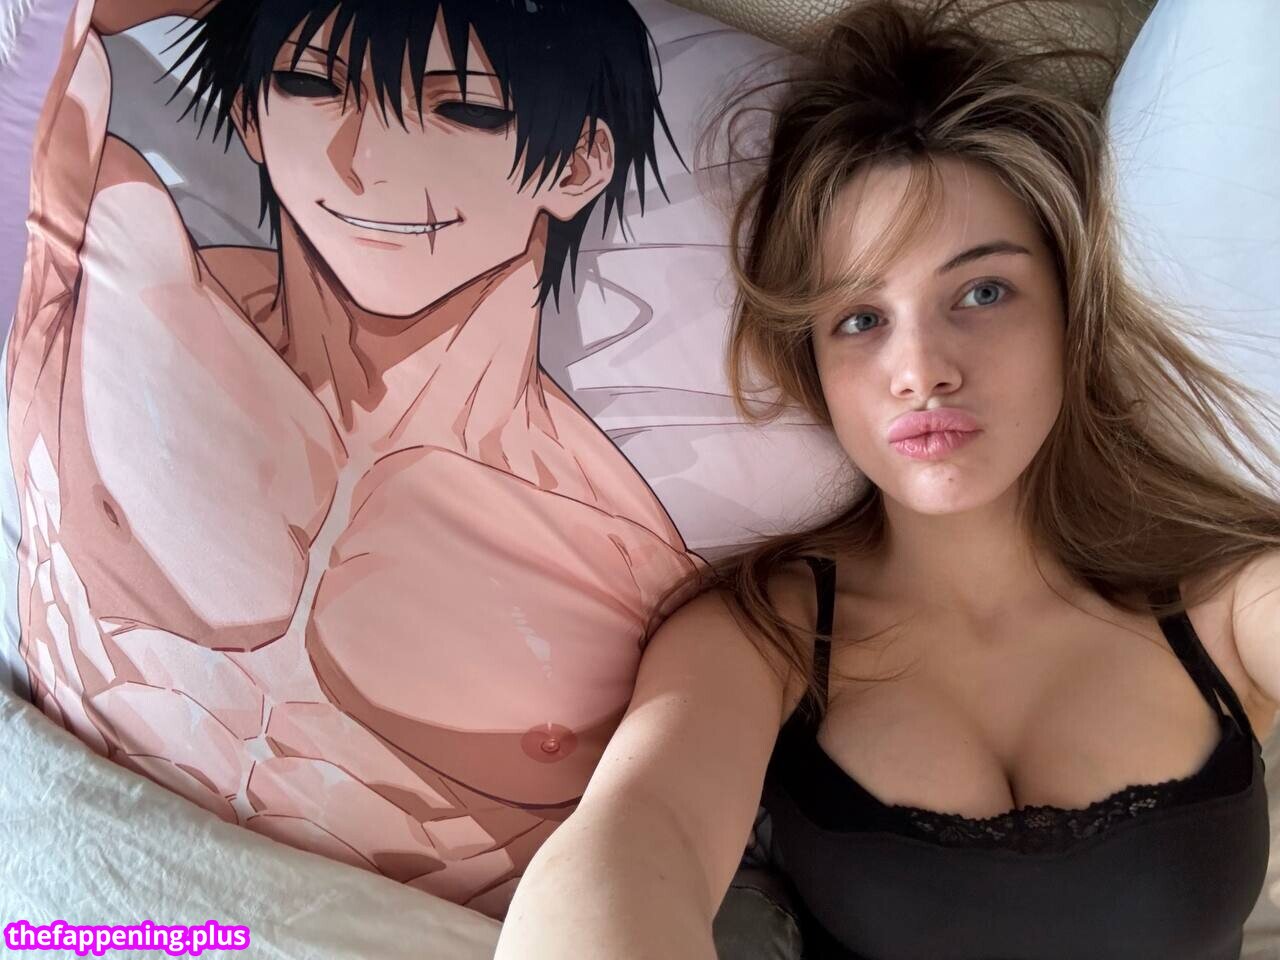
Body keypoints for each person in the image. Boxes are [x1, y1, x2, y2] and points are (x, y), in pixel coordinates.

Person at [495, 0, 1280, 956]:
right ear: (815, 363)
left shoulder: (1225, 600)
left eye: (982, 291)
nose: (921, 370)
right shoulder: (765, 637)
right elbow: (633, 839)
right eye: (860, 320)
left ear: (1070, 311)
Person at [5, 0, 699, 918]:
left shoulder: (631, 557)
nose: (366, 162)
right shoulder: (115, 268)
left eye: (462, 108)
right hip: (48, 886)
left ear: (577, 165)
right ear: (249, 114)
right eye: (310, 84)